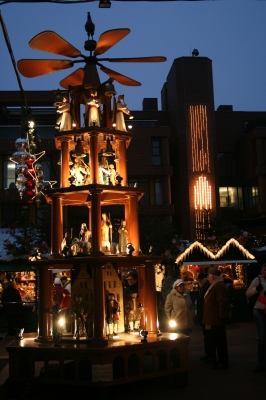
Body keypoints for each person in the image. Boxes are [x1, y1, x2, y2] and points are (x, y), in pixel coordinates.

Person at [202, 267, 229, 370]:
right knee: (217, 340)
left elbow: (222, 302)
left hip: (216, 319)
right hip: (213, 318)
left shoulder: (218, 286)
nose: (208, 278)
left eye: (208, 276)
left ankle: (223, 361)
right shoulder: (215, 285)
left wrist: (222, 316)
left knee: (220, 341)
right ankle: (220, 360)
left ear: (212, 277)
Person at [246, 263, 266, 372]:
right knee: (262, 336)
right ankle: (261, 363)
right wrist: (256, 289)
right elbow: (247, 293)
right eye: (263, 270)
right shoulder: (257, 280)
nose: (264, 272)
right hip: (259, 309)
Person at [196, 273, 215, 363]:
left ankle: (211, 355)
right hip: (203, 315)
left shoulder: (208, 288)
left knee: (210, 336)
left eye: (200, 280)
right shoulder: (201, 287)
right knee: (206, 336)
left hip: (208, 316)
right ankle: (208, 354)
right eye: (198, 280)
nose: (199, 282)